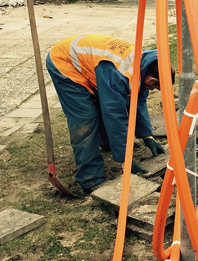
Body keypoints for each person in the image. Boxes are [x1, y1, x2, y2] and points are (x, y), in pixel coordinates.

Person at [46, 34, 173, 194]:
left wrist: (147, 136)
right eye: (154, 87)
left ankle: (107, 143)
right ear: (153, 79)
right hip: (65, 63)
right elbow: (115, 115)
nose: (152, 90)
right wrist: (125, 158)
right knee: (85, 117)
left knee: (104, 104)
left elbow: (138, 102)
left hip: (92, 63)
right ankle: (90, 178)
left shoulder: (143, 66)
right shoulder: (119, 72)